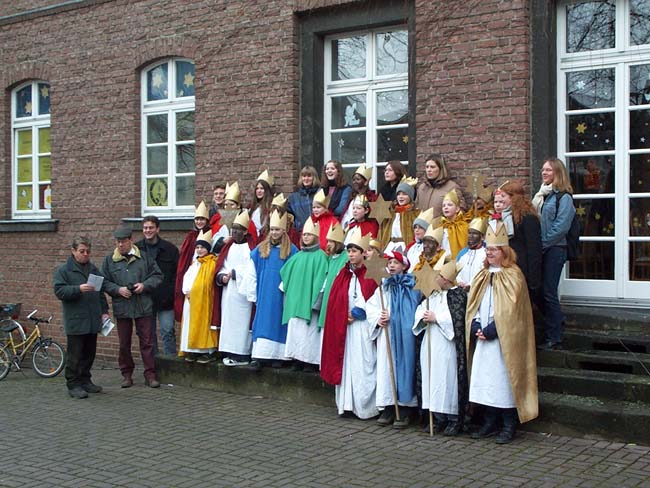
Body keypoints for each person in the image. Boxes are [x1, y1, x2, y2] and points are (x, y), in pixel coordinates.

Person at [466, 221, 538, 444]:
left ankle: (509, 423)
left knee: (503, 379)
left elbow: (513, 310)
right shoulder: (482, 275)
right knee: (484, 378)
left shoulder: (513, 275)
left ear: (504, 251)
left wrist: (494, 329)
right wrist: (477, 325)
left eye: (494, 250)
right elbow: (474, 303)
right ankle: (489, 420)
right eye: (487, 250)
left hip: (502, 340)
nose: (489, 253)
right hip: (483, 337)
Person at [321, 227, 379, 419]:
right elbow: (335, 298)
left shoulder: (370, 273)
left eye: (355, 251)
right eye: (349, 251)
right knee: (345, 364)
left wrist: (357, 311)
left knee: (363, 364)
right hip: (345, 328)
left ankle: (365, 407)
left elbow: (374, 297)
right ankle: (346, 405)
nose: (351, 254)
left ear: (363, 253)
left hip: (362, 328)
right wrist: (341, 314)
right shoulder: (343, 274)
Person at [413, 256, 468, 436]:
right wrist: (423, 316)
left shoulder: (458, 295)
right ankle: (436, 417)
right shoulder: (432, 294)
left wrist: (437, 318)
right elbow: (420, 310)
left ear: (446, 279)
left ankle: (452, 417)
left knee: (447, 378)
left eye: (438, 276)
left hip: (446, 345)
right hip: (430, 342)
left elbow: (457, 319)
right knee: (431, 377)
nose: (434, 279)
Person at [102, 227, 163, 388]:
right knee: (124, 344)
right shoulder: (110, 260)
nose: (120, 245)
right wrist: (118, 290)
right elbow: (104, 281)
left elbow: (157, 276)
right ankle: (127, 375)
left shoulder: (144, 257)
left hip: (143, 305)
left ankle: (150, 375)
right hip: (122, 307)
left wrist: (144, 285)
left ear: (130, 240)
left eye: (122, 242)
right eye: (117, 242)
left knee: (147, 342)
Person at [367, 250, 422, 428]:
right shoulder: (383, 287)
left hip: (403, 335)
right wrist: (378, 318)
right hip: (388, 334)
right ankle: (389, 405)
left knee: (405, 367)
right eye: (389, 262)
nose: (391, 266)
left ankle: (405, 408)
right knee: (387, 367)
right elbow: (372, 306)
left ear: (404, 266)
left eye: (395, 263)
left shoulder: (411, 285)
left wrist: (396, 317)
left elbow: (412, 309)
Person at [54, 236, 110, 399]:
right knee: (75, 355)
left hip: (92, 320)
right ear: (73, 251)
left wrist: (104, 311)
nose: (85, 254)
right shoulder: (64, 271)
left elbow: (100, 292)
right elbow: (59, 291)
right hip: (76, 320)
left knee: (89, 353)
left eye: (88, 251)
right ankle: (73, 384)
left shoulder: (93, 269)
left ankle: (86, 380)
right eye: (82, 251)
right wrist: (78, 289)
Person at [244, 210, 298, 368]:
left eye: (277, 229)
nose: (274, 232)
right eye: (272, 229)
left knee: (279, 323)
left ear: (284, 230)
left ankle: (278, 356)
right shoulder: (261, 250)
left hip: (281, 295)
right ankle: (260, 356)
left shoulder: (292, 251)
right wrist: (253, 294)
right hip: (264, 293)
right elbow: (252, 272)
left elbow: (294, 273)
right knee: (263, 322)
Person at [533, 158, 576, 351]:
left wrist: (543, 243)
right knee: (538, 290)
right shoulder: (542, 195)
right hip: (542, 248)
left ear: (557, 173)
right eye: (543, 170)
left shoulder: (563, 197)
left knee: (549, 291)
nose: (544, 173)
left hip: (555, 249)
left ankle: (555, 337)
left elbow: (562, 226)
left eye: (548, 170)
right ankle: (556, 320)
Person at [281, 217, 328, 371]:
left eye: (309, 234)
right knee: (296, 330)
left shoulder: (321, 256)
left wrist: (317, 300)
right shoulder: (298, 256)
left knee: (309, 332)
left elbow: (323, 279)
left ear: (316, 236)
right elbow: (285, 273)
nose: (305, 237)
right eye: (304, 235)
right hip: (295, 301)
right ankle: (296, 359)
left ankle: (309, 361)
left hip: (309, 300)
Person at [490, 181, 542, 303]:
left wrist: (534, 279)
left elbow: (534, 250)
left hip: (522, 269)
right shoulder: (500, 218)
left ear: (514, 198)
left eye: (503, 196)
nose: (499, 201)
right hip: (506, 268)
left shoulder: (527, 218)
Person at [136, 216, 179, 357]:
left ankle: (170, 364)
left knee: (168, 331)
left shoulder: (170, 249)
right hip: (145, 299)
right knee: (149, 335)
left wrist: (171, 294)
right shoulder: (136, 249)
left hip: (165, 299)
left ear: (157, 229)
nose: (148, 230)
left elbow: (176, 275)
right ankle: (153, 366)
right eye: (145, 228)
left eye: (151, 227)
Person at [216, 210, 255, 366]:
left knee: (242, 323)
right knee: (229, 322)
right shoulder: (228, 247)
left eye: (238, 229)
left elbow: (251, 269)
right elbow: (221, 264)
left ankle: (243, 353)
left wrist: (234, 273)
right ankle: (229, 351)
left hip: (242, 292)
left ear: (245, 231)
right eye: (233, 228)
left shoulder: (250, 247)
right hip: (228, 291)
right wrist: (221, 276)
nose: (234, 232)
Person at [179, 229, 219, 363]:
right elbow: (187, 278)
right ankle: (192, 349)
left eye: (202, 247)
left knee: (204, 324)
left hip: (204, 300)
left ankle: (206, 351)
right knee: (191, 324)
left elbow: (208, 283)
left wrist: (196, 292)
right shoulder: (194, 263)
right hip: (190, 300)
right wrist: (187, 291)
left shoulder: (212, 263)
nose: (200, 250)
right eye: (197, 247)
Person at [174, 201, 211, 322]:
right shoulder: (190, 237)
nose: (199, 222)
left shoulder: (211, 235)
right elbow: (184, 260)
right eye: (197, 219)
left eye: (202, 219)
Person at [317, 222, 349, 329]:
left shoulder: (346, 257)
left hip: (337, 298)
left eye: (331, 241)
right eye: (327, 241)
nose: (328, 244)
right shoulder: (330, 258)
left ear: (338, 243)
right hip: (327, 297)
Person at [377, 177, 419, 253]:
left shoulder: (415, 214)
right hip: (390, 247)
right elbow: (382, 232)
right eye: (398, 194)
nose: (401, 197)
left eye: (404, 194)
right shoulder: (391, 213)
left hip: (405, 247)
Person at [340, 164, 377, 228]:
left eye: (358, 179)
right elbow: (347, 215)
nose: (355, 182)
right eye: (353, 180)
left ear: (366, 182)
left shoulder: (372, 198)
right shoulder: (352, 198)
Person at [456, 217, 488, 290]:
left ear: (482, 237)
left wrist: (470, 284)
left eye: (475, 233)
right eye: (469, 233)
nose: (471, 236)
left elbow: (483, 273)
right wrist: (459, 282)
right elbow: (456, 271)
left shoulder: (486, 253)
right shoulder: (462, 253)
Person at [288, 165, 321, 233]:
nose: (306, 178)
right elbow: (289, 216)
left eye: (309, 176)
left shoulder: (320, 193)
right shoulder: (293, 198)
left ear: (314, 178)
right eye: (304, 176)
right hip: (300, 232)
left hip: (318, 231)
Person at [440, 189, 469, 259]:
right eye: (443, 206)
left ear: (457, 209)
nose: (446, 207)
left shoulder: (463, 226)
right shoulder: (441, 226)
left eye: (449, 205)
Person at [250, 169, 275, 243]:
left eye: (262, 188)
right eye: (257, 188)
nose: (259, 191)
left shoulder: (271, 206)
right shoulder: (251, 207)